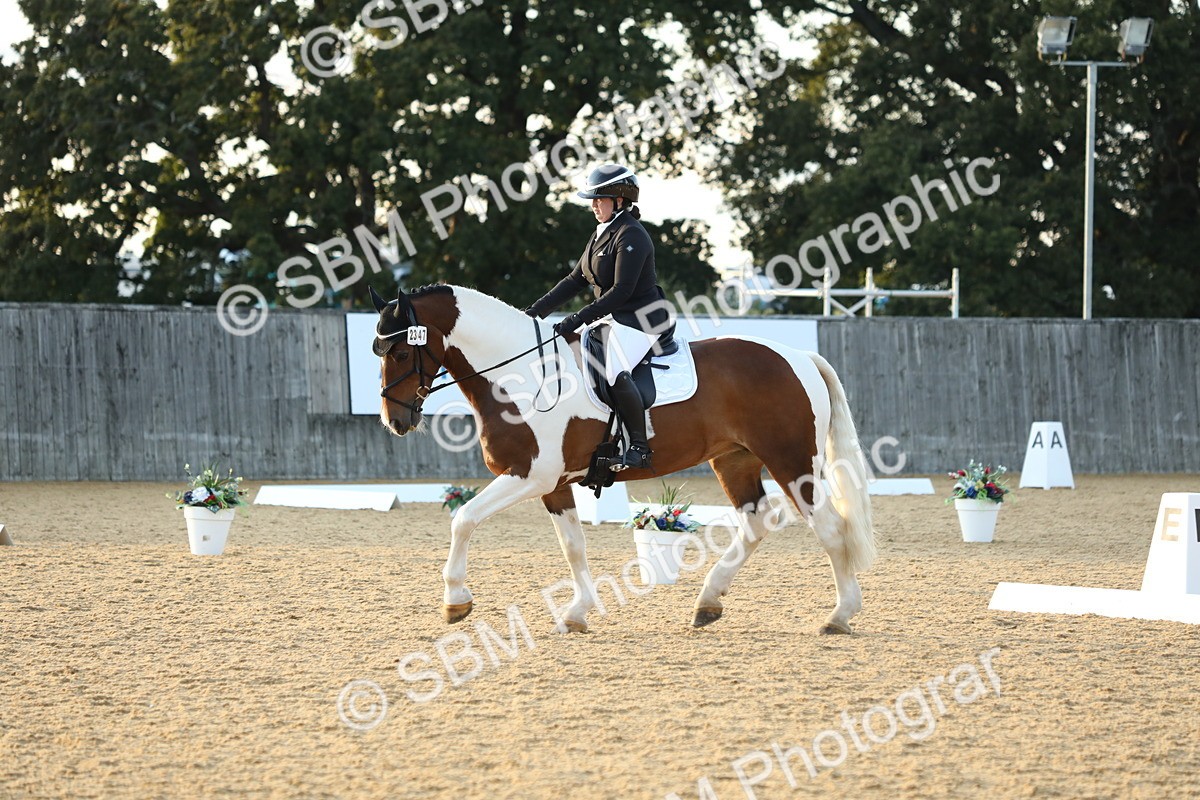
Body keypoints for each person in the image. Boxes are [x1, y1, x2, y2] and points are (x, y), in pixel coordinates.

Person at [525, 164, 676, 470]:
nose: (594, 205)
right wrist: (532, 313)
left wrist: (574, 321)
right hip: (616, 319)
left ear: (620, 200)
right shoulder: (601, 234)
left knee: (613, 370)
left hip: (642, 319)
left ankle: (639, 446)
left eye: (600, 199)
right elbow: (573, 280)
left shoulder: (632, 235)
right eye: (593, 200)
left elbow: (621, 291)